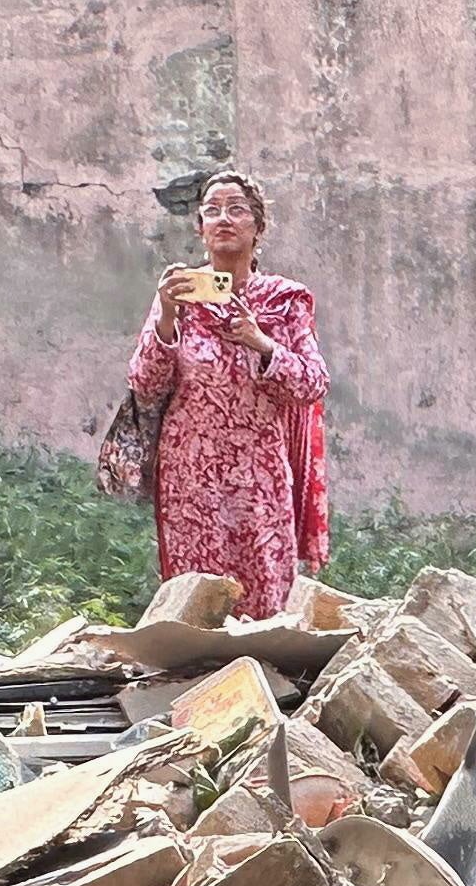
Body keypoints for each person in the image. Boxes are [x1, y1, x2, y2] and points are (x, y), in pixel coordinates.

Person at [123, 170, 328, 620]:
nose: (223, 220)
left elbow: (313, 383)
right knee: (198, 601)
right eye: (212, 211)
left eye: (236, 209)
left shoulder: (285, 301)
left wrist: (261, 341)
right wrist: (168, 318)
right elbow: (144, 382)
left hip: (258, 475)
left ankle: (266, 686)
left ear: (258, 227)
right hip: (190, 476)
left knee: (264, 595)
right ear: (200, 229)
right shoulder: (180, 293)